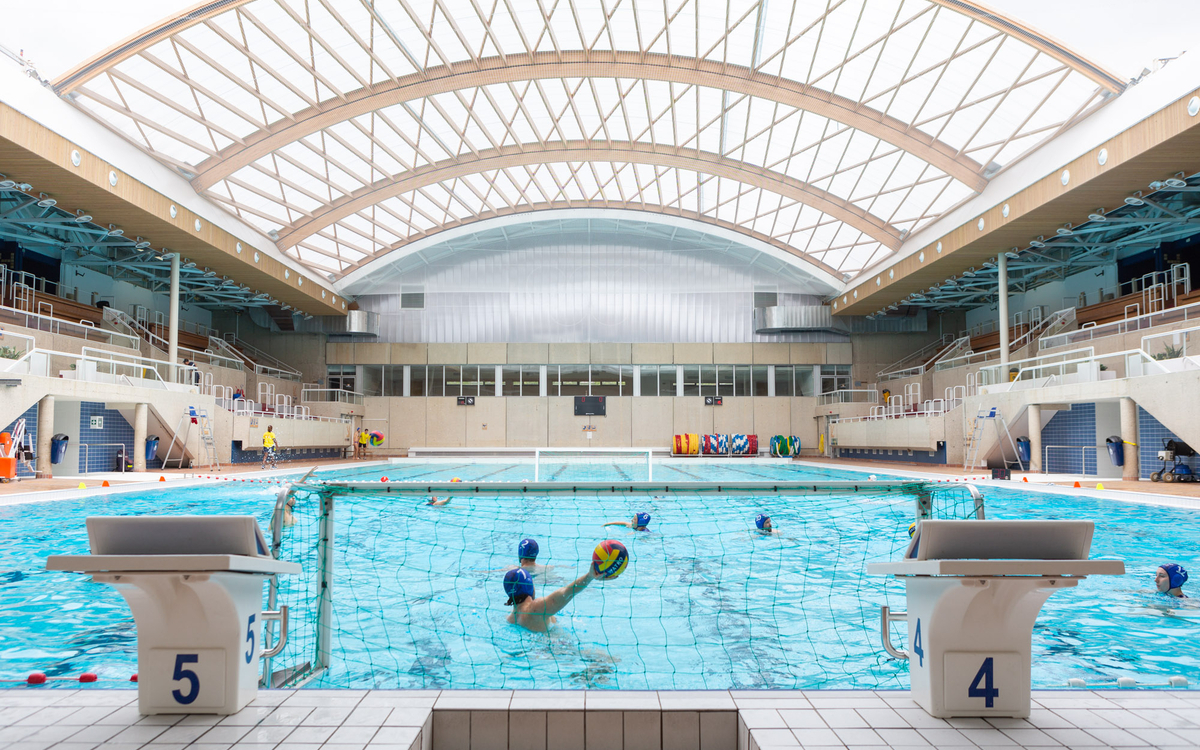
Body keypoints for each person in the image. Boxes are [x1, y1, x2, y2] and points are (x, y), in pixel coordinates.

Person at [503, 566, 600, 632]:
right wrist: (589, 576)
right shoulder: (536, 609)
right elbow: (567, 592)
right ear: (529, 586)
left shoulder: (510, 619)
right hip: (557, 648)